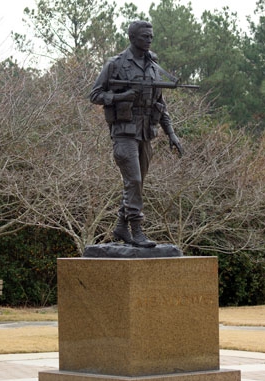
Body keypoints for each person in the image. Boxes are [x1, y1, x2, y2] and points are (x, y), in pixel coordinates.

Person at [90, 20, 183, 248]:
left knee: (136, 185)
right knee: (134, 180)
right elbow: (95, 95)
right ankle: (137, 230)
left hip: (145, 133)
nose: (149, 39)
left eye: (151, 35)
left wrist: (172, 134)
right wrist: (122, 97)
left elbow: (160, 105)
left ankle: (122, 226)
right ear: (132, 38)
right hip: (124, 132)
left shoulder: (153, 67)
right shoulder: (116, 64)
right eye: (144, 36)